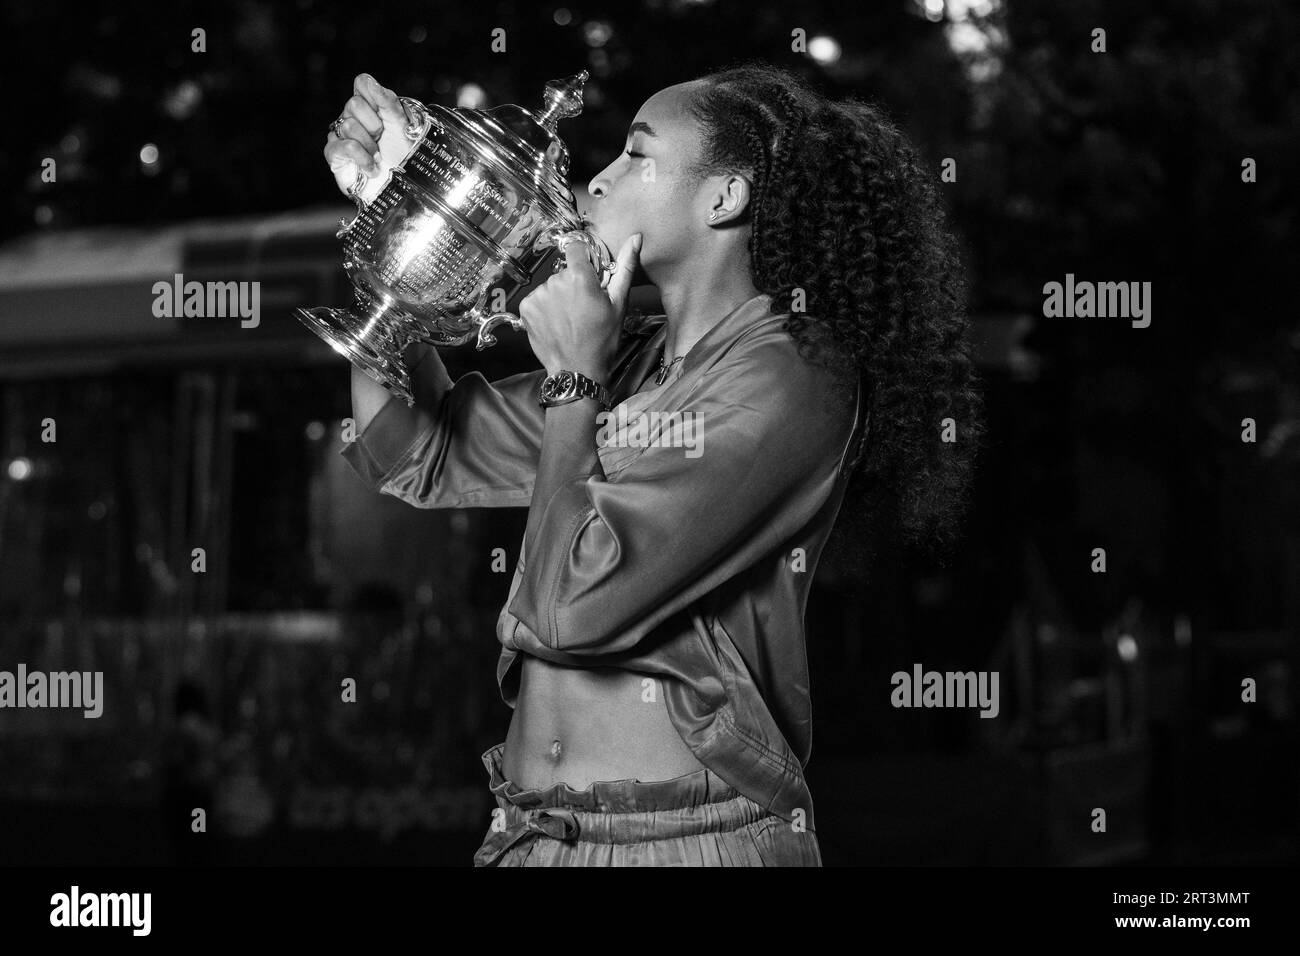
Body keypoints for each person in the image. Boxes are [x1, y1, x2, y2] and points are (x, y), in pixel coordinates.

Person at [324, 65, 983, 866]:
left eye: (637, 156)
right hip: (530, 834)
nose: (596, 181)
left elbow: (572, 610)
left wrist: (573, 381)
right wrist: (396, 207)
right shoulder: (628, 356)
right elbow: (413, 448)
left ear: (724, 198)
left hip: (686, 843)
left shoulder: (793, 375)